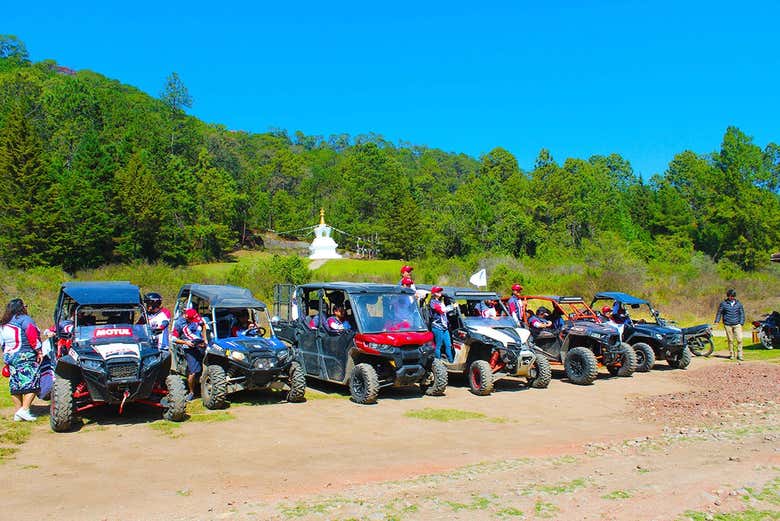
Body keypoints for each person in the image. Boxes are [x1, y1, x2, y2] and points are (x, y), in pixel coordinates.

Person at [1, 298, 42, 421]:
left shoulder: (4, 323)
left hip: (9, 355)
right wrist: (39, 351)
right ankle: (24, 410)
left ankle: (18, 412)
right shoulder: (25, 320)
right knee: (33, 382)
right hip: (24, 355)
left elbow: (2, 343)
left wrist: (7, 354)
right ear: (21, 308)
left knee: (15, 384)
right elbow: (32, 336)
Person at [172, 308, 206, 401]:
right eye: (193, 320)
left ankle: (202, 386)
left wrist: (204, 338)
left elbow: (203, 325)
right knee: (193, 371)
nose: (195, 321)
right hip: (189, 349)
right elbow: (173, 339)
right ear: (187, 317)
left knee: (203, 367)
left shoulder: (194, 316)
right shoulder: (179, 324)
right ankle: (191, 392)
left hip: (201, 346)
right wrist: (186, 343)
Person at [714, 288, 745, 360]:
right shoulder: (723, 304)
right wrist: (716, 321)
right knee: (730, 340)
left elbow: (742, 314)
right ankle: (732, 354)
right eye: (730, 296)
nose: (732, 297)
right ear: (728, 296)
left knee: (740, 339)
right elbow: (719, 313)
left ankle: (740, 354)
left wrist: (741, 323)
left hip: (737, 324)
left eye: (733, 296)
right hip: (728, 324)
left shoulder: (739, 304)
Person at [429, 287, 454, 363]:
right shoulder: (432, 302)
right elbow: (441, 310)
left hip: (444, 327)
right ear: (434, 293)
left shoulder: (440, 302)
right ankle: (438, 363)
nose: (440, 292)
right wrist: (452, 307)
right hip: (437, 327)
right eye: (438, 291)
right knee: (438, 346)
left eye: (440, 291)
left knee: (448, 345)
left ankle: (451, 361)